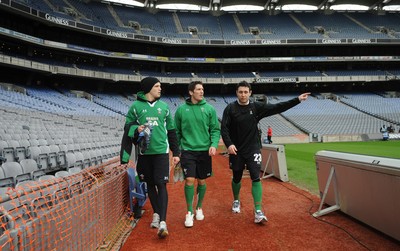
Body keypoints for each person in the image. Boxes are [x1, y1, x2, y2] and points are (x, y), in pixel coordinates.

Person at [221, 81, 310, 224]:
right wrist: (229, 144)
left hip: (253, 148)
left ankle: (258, 211)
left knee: (256, 177)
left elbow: (277, 107)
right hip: (236, 150)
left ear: (250, 93)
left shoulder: (256, 107)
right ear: (236, 93)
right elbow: (224, 129)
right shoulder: (230, 108)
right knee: (236, 177)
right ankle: (236, 200)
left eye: (246, 92)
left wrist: (297, 100)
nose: (243, 95)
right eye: (240, 92)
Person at [120, 77, 180, 238]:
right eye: (157, 86)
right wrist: (136, 128)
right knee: (150, 185)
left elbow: (172, 131)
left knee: (161, 184)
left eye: (160, 86)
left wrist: (176, 152)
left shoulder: (164, 107)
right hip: (144, 154)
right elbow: (127, 127)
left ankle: (163, 222)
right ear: (148, 88)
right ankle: (157, 214)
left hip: (161, 152)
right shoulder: (135, 107)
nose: (160, 89)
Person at [174, 81, 221, 228]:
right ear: (190, 92)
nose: (201, 92)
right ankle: (189, 212)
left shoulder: (209, 109)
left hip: (204, 151)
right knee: (189, 180)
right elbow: (176, 132)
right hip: (187, 151)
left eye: (202, 89)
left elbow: (215, 129)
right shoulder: (181, 110)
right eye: (198, 89)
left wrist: (213, 145)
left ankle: (199, 207)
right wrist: (177, 151)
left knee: (201, 181)